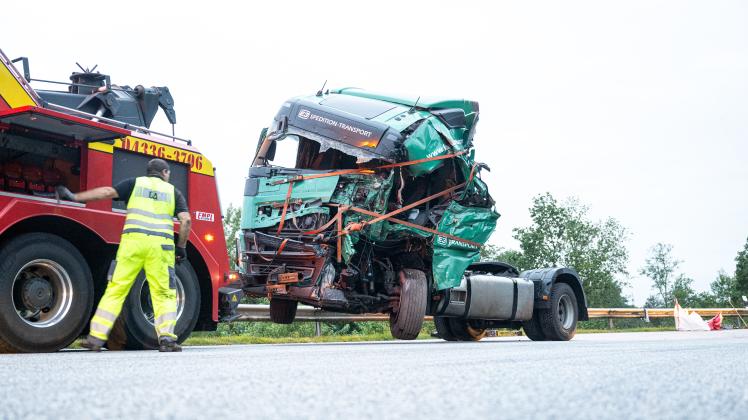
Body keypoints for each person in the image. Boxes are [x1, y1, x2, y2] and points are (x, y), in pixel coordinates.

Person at [56, 158, 191, 352]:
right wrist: (181, 247)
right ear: (165, 173)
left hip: (132, 245)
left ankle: (96, 338)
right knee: (163, 293)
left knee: (116, 289)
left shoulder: (134, 184)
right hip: (160, 248)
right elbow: (185, 221)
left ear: (148, 172)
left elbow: (106, 192)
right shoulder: (173, 192)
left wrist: (75, 197)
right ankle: (167, 340)